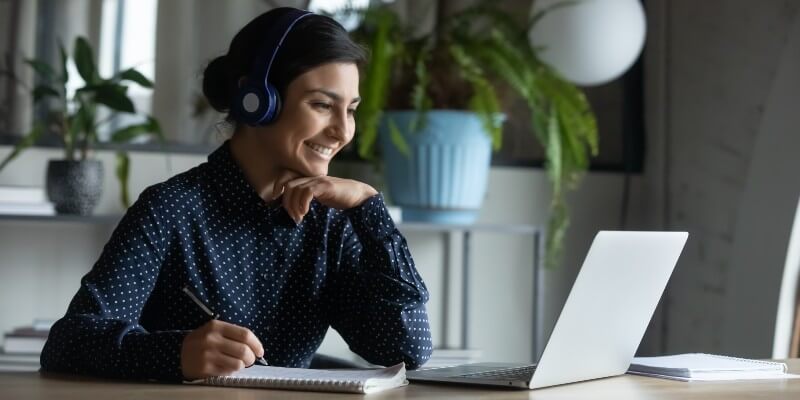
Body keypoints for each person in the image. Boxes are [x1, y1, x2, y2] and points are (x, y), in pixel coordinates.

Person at [40, 7, 432, 382]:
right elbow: (68, 343)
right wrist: (176, 354)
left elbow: (407, 348)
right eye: (322, 105)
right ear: (257, 100)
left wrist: (368, 206)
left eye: (351, 110)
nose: (342, 131)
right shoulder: (170, 209)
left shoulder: (332, 223)